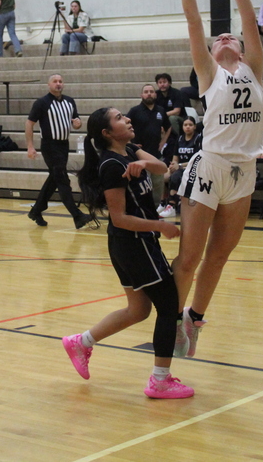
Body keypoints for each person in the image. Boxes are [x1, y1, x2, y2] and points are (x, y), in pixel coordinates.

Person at [154, 0, 263, 359]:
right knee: (190, 257)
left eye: (229, 36)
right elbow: (193, 21)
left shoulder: (253, 70)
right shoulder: (209, 73)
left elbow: (250, 21)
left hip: (245, 170)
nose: (224, 37)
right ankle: (168, 322)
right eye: (220, 38)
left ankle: (192, 320)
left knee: (219, 256)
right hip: (211, 166)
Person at [60, 107, 194, 399]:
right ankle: (160, 379)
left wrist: (142, 164)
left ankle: (81, 342)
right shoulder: (110, 165)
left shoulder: (130, 150)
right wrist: (159, 226)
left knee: (139, 310)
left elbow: (161, 167)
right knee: (169, 305)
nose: (128, 119)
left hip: (129, 243)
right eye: (120, 118)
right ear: (107, 133)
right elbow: (119, 217)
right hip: (134, 243)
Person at [25, 74, 91, 229]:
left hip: (64, 145)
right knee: (62, 179)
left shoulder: (70, 101)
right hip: (49, 145)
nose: (58, 84)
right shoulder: (41, 103)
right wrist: (30, 146)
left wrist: (78, 124)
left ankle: (36, 210)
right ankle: (77, 216)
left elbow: (76, 123)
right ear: (49, 85)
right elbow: (29, 123)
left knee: (55, 178)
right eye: (55, 81)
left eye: (60, 81)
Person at [127, 84, 172, 204]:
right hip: (139, 157)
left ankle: (155, 212)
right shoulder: (134, 111)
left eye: (151, 91)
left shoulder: (161, 111)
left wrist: (163, 142)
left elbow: (168, 127)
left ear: (155, 94)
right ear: (141, 95)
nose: (149, 94)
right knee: (142, 189)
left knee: (157, 188)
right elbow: (124, 127)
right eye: (146, 91)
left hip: (156, 156)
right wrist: (130, 144)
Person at [158, 116, 202, 219]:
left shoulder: (198, 139)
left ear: (195, 127)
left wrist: (179, 166)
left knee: (176, 176)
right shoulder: (180, 138)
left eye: (190, 125)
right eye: (185, 125)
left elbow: (197, 159)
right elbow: (175, 158)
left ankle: (172, 205)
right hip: (180, 167)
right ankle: (163, 202)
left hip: (193, 167)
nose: (188, 127)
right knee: (163, 175)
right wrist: (173, 166)